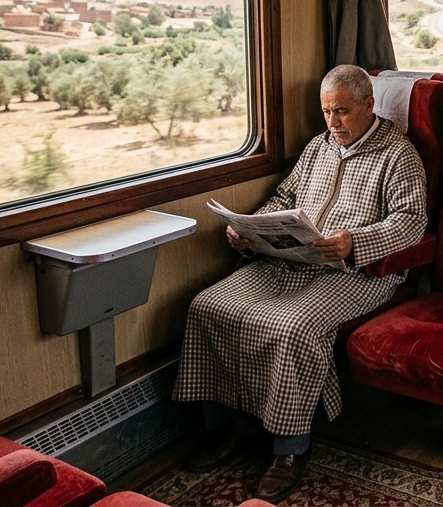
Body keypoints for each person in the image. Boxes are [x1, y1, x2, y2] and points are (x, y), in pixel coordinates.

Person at [173, 64, 427, 501]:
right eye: (327, 112)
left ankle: (290, 449)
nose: (333, 123)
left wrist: (355, 242)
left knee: (291, 326)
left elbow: (411, 222)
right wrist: (249, 228)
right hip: (290, 260)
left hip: (358, 272)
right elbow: (286, 198)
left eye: (343, 112)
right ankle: (227, 425)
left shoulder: (398, 154)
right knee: (208, 305)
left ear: (369, 104)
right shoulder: (318, 147)